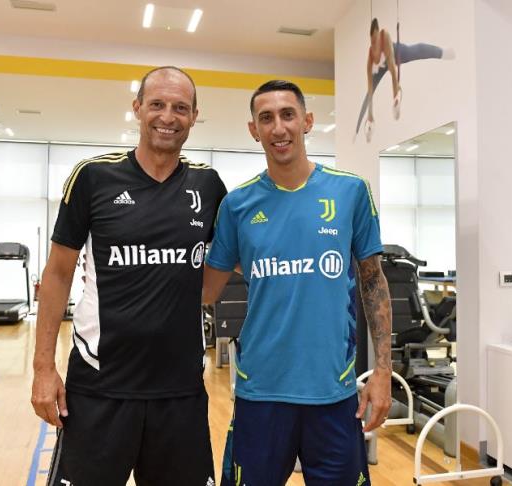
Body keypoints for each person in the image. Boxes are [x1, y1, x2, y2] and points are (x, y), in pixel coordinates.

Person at [32, 66, 227, 486]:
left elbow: (232, 262)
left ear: (194, 117)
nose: (167, 117)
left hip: (180, 391)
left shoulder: (208, 185)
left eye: (180, 108)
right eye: (157, 104)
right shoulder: (92, 177)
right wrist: (43, 368)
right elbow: (58, 273)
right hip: (99, 387)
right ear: (137, 108)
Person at [203, 80, 393, 486]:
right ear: (253, 129)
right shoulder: (237, 205)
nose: (278, 128)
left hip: (333, 391)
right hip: (260, 391)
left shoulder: (350, 191)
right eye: (266, 118)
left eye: (288, 115)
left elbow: (374, 283)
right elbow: (206, 289)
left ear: (307, 121)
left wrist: (382, 372)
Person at [355, 17, 455, 141]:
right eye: (372, 41)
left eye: (375, 40)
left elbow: (393, 70)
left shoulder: (384, 36)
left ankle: (443, 53)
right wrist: (370, 114)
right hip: (382, 66)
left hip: (397, 53)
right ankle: (360, 127)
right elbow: (370, 87)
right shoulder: (371, 54)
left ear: (378, 34)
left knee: (419, 50)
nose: (374, 44)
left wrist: (395, 97)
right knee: (368, 94)